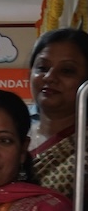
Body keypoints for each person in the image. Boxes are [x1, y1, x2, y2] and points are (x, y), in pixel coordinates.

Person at [27, 27, 88, 197]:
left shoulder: (84, 148)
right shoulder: (12, 135)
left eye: (67, 71)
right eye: (42, 68)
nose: (50, 77)